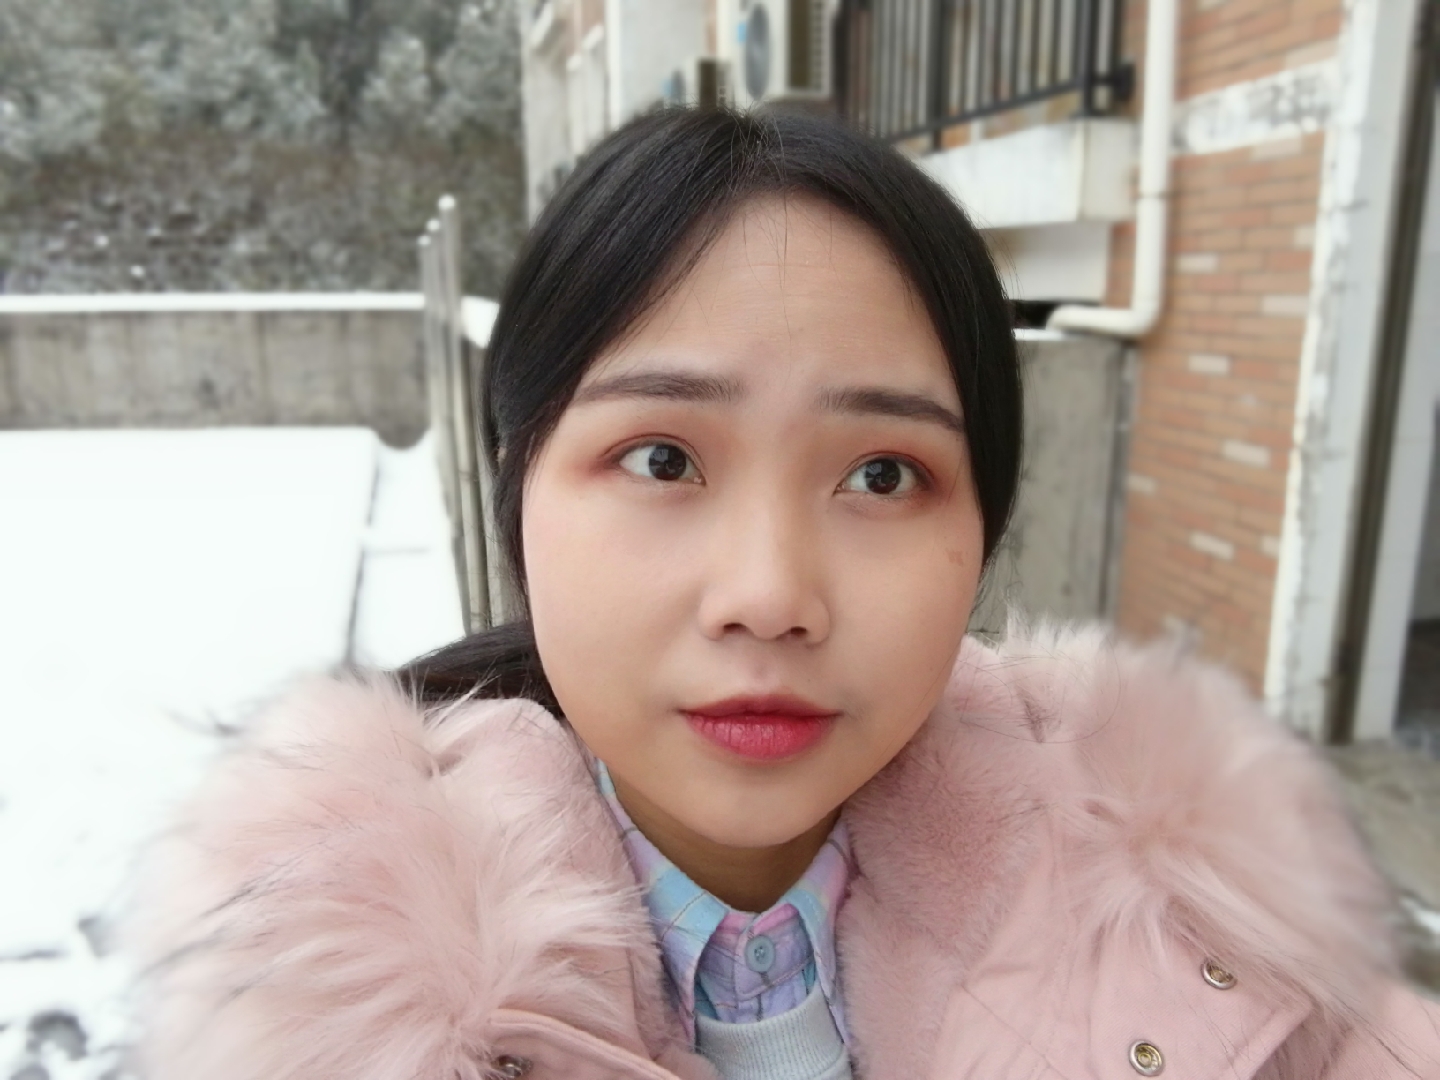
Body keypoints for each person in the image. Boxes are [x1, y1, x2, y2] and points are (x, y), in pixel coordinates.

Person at [123, 107, 1440, 1080]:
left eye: (882, 474)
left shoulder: (1208, 927)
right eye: (662, 459)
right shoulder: (314, 1019)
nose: (769, 597)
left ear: (983, 529)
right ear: (517, 491)